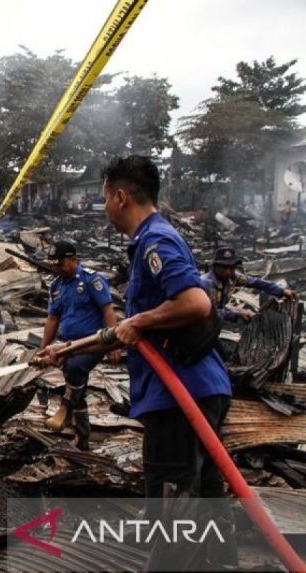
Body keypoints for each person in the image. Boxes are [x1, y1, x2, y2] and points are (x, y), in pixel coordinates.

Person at [102, 155, 236, 568]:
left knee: (175, 507)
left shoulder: (155, 241)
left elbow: (195, 302)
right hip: (198, 390)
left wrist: (140, 320)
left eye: (104, 197)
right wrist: (61, 351)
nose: (104, 206)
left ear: (121, 197)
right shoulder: (153, 239)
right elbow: (131, 331)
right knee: (206, 499)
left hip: (180, 398)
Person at [36, 240, 119, 450]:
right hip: (69, 344)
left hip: (94, 342)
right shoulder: (56, 286)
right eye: (54, 264)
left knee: (75, 369)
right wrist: (43, 348)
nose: (57, 268)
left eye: (61, 264)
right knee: (76, 388)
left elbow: (108, 310)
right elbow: (52, 319)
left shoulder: (92, 280)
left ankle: (64, 410)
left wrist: (114, 344)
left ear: (73, 259)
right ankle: (82, 438)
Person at [201, 246, 297, 322]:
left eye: (231, 267)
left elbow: (255, 282)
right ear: (215, 266)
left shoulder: (233, 277)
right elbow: (208, 312)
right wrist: (236, 313)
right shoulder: (206, 283)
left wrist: (281, 291)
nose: (228, 271)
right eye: (224, 267)